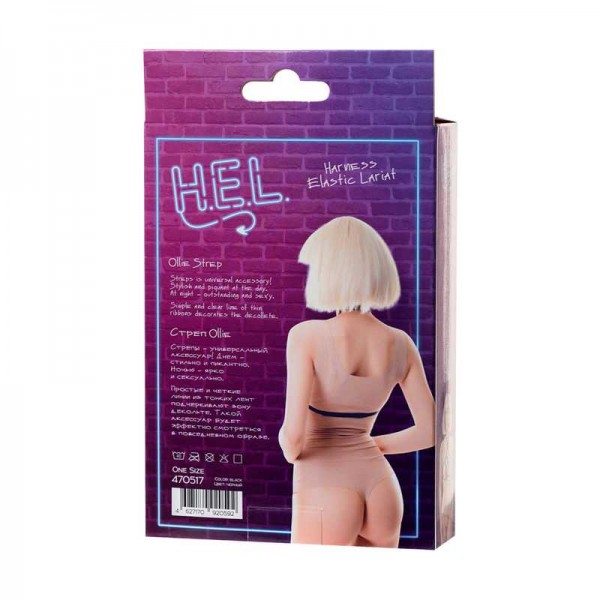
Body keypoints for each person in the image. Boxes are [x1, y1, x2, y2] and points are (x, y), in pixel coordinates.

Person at [278, 216, 435, 547]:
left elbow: (293, 438)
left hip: (325, 483)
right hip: (382, 487)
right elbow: (430, 431)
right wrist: (370, 445)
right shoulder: (401, 344)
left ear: (329, 272)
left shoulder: (306, 336)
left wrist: (290, 451)